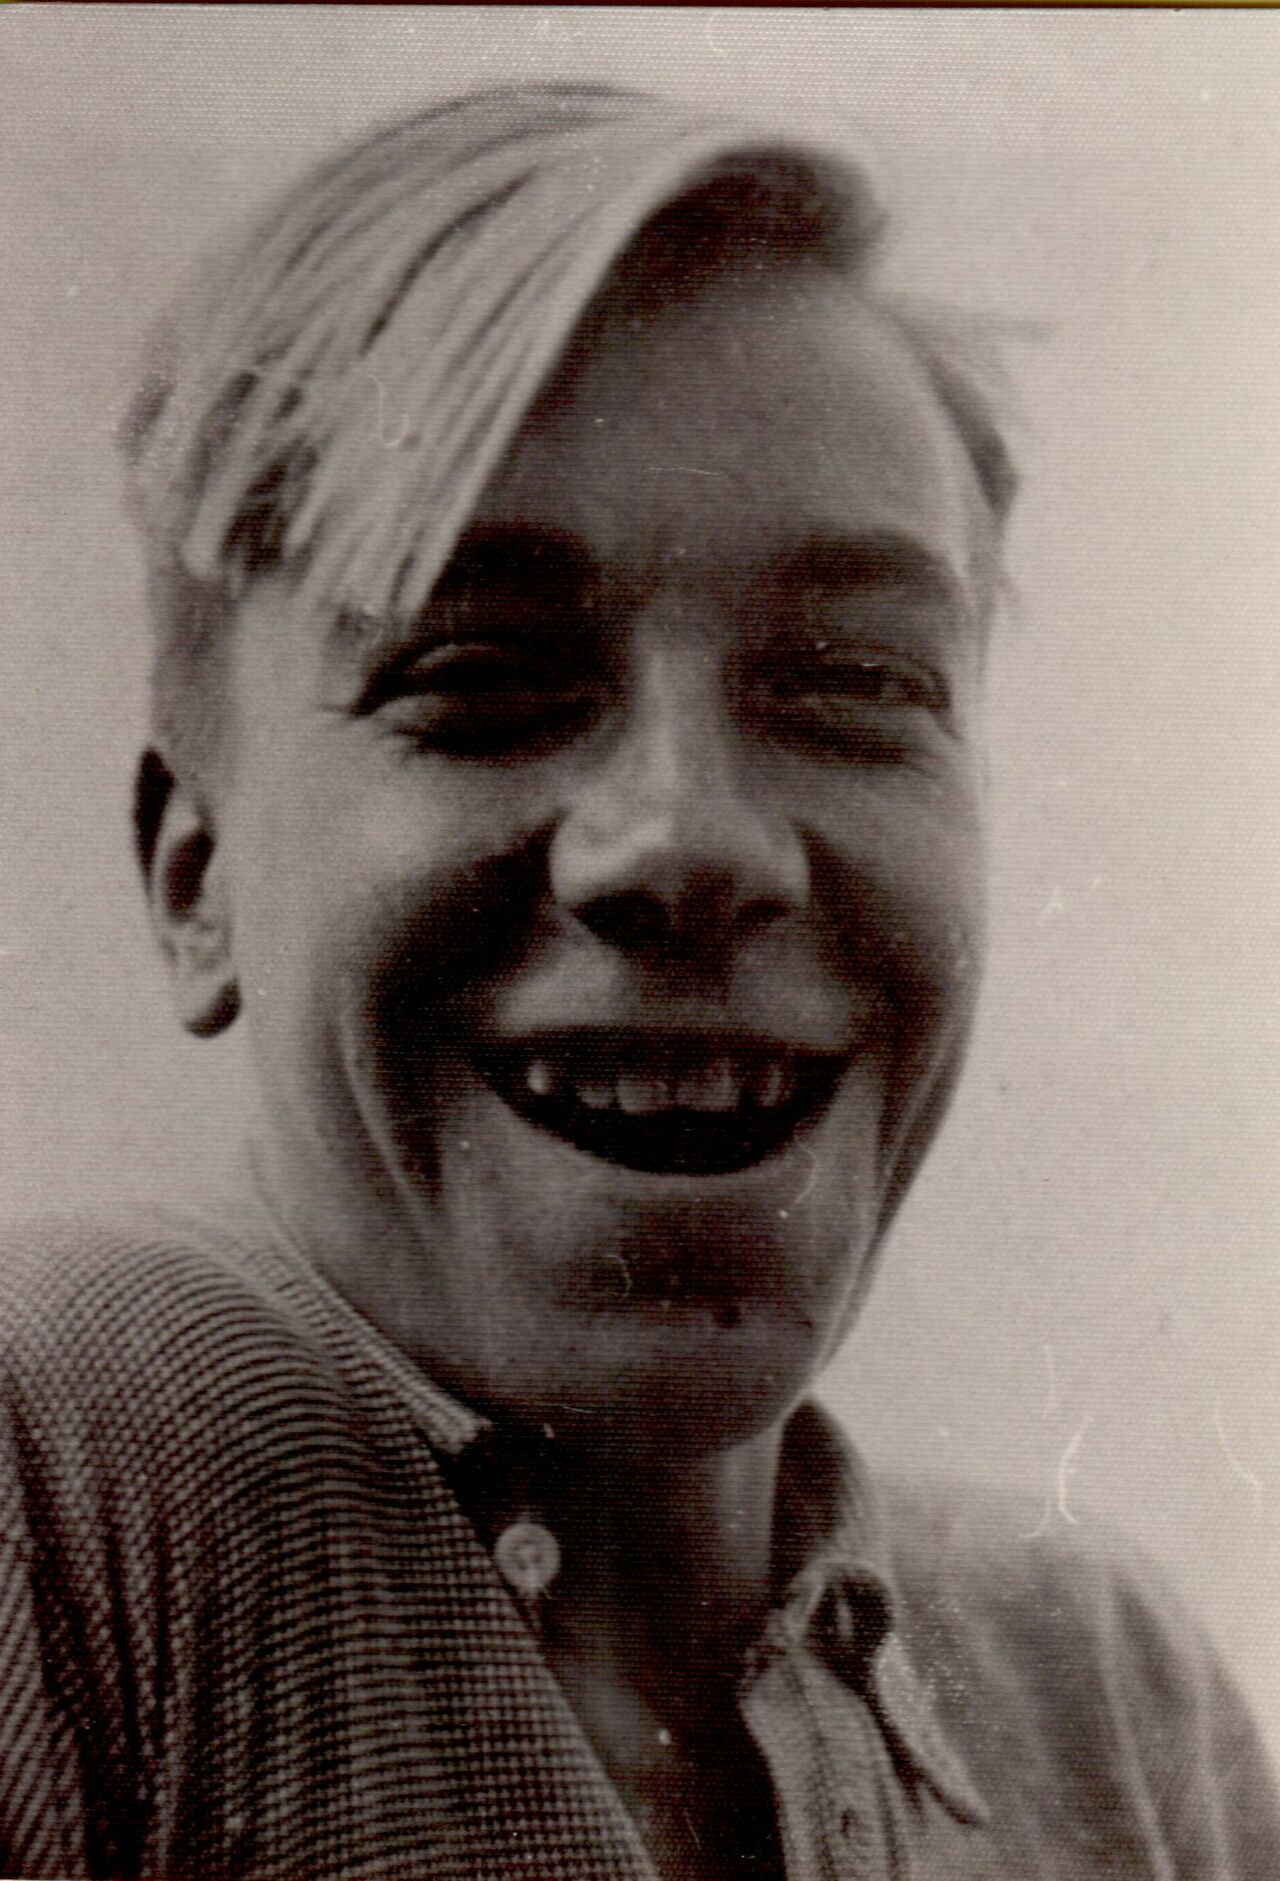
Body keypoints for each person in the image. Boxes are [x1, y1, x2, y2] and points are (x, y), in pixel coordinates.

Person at [0, 81, 1275, 1881]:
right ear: (193, 872)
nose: (694, 843)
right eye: (483, 676)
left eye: (850, 682)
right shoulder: (49, 1477)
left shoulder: (1110, 1705)